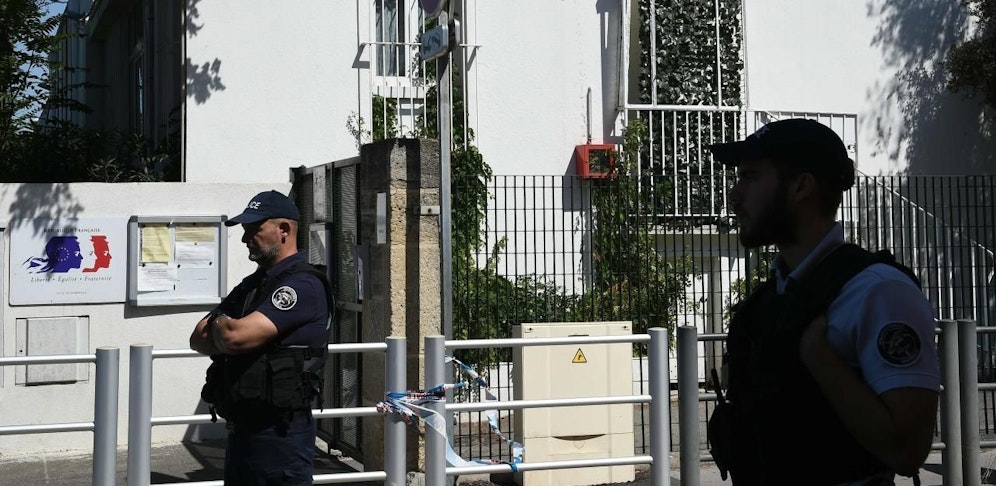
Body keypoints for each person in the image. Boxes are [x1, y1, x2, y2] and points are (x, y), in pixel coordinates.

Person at [706, 119, 940, 485]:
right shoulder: (767, 301)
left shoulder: (879, 291)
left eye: (750, 178)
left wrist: (819, 357)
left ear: (801, 186)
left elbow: (908, 452)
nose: (735, 195)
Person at [190, 190, 333, 485]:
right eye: (244, 230)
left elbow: (234, 339)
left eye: (254, 229)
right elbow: (197, 337)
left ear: (284, 230)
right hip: (242, 430)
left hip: (280, 434)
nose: (245, 239)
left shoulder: (302, 285)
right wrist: (225, 325)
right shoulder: (254, 284)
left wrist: (222, 323)